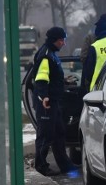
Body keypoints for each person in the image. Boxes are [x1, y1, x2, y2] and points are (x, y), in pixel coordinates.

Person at [33, 26, 77, 176]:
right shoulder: (46, 55)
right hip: (47, 102)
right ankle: (40, 165)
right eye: (61, 40)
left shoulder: (51, 54)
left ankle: (65, 165)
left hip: (54, 101)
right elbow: (41, 79)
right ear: (55, 40)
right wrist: (44, 97)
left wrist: (64, 81)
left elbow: (51, 76)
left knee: (59, 133)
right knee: (45, 135)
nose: (63, 43)